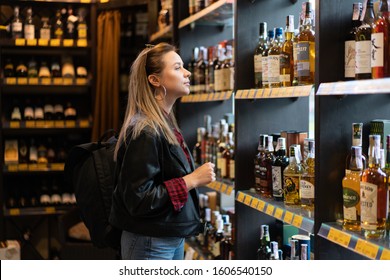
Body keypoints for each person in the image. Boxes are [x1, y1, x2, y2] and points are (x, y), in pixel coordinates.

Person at [109, 43, 216, 260]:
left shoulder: (164, 124)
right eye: (177, 68)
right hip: (150, 242)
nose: (187, 73)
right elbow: (139, 199)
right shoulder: (145, 130)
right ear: (155, 80)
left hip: (167, 238)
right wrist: (192, 180)